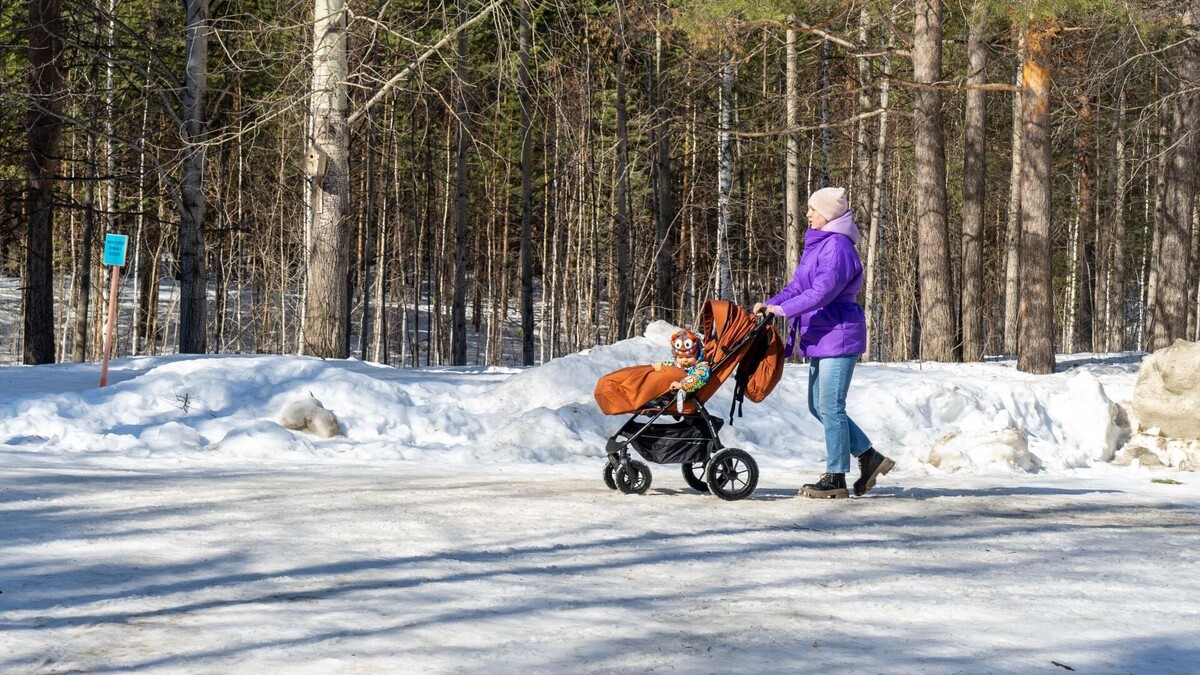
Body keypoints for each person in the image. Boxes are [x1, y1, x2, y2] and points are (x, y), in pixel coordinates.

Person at [754, 186, 894, 499]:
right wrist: (771, 303)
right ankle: (870, 458)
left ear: (828, 214)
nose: (808, 215)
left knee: (830, 406)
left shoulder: (839, 248)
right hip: (824, 333)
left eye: (813, 210)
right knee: (819, 406)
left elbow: (822, 292)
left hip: (839, 334)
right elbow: (798, 287)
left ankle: (836, 476)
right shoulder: (820, 245)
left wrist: (783, 311)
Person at [651, 328, 711, 409]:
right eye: (680, 357)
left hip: (682, 392)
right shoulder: (675, 362)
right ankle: (651, 397)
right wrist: (657, 366)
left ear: (697, 355)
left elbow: (698, 377)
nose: (684, 360)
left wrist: (681, 385)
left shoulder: (701, 366)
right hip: (667, 388)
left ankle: (668, 399)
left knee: (679, 389)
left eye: (689, 357)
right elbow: (667, 364)